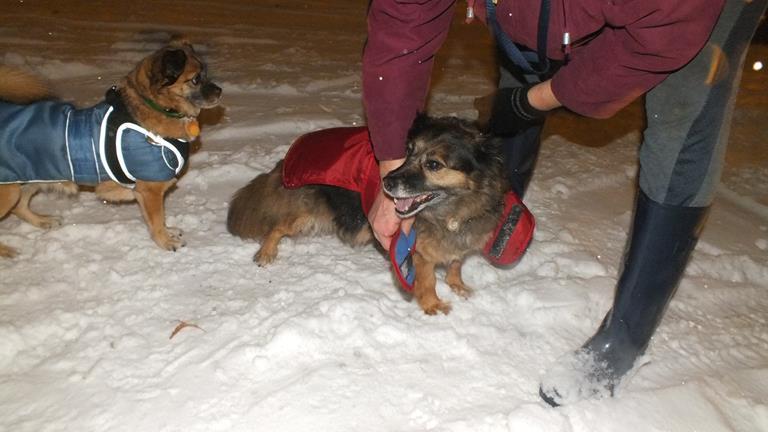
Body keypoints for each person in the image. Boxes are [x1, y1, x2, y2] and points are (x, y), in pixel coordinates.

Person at [361, 0, 768, 406]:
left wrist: (538, 99)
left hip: (686, 15)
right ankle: (498, 213)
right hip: (548, 14)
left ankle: (624, 337)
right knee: (520, 68)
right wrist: (392, 166)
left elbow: (660, 39)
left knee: (683, 116)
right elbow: (401, 31)